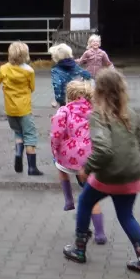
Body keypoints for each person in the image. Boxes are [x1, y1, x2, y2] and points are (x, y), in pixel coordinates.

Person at [63, 69, 140, 274]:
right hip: (132, 173)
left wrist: (87, 167)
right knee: (126, 215)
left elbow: (103, 149)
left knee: (86, 203)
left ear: (99, 91)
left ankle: (79, 249)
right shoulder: (129, 112)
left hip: (108, 175)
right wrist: (129, 159)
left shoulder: (98, 115)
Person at [50, 79, 106, 243]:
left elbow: (56, 134)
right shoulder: (95, 112)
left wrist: (54, 148)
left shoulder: (64, 111)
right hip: (90, 157)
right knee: (91, 194)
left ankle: (68, 199)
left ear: (69, 96)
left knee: (59, 165)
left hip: (69, 155)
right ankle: (100, 233)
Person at [0, 41, 42, 176]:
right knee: (30, 136)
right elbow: (32, 88)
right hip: (24, 109)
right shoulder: (29, 71)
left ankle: (18, 153)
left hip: (10, 109)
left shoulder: (4, 68)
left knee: (18, 133)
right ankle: (32, 168)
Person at [49, 43, 91, 107]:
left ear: (56, 57)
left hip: (65, 99)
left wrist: (59, 99)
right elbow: (88, 76)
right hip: (78, 97)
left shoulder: (56, 70)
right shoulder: (75, 66)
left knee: (66, 115)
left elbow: (57, 85)